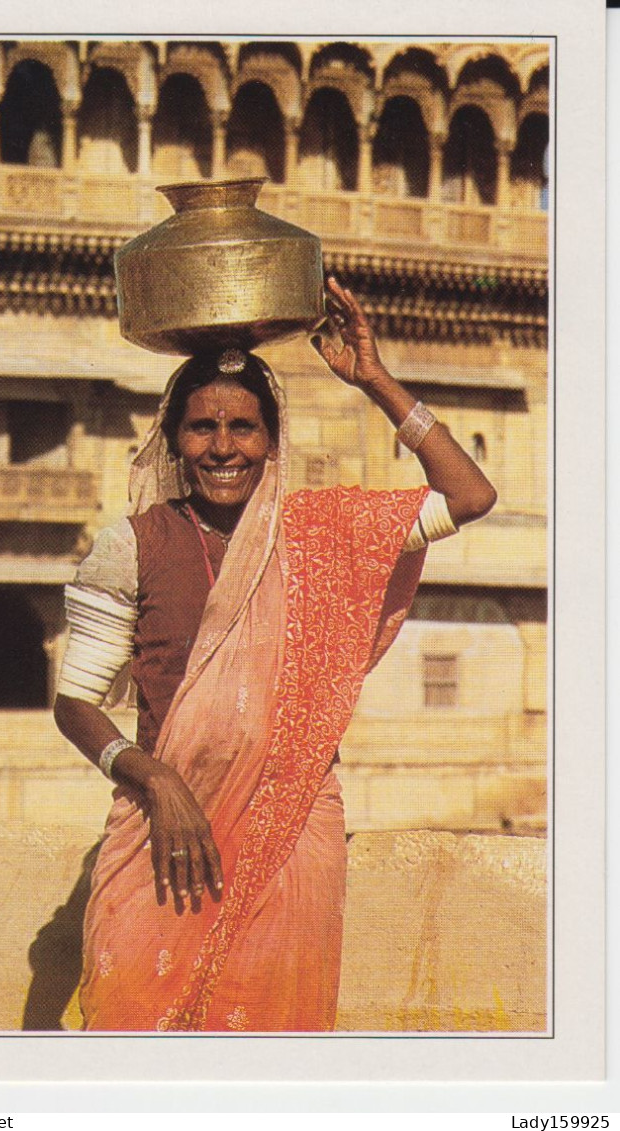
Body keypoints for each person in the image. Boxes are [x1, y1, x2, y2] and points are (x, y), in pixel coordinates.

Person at [53, 278, 496, 1032]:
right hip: (164, 830)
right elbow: (75, 702)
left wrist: (377, 381)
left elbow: (469, 493)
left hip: (292, 835)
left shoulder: (319, 534)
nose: (223, 447)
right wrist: (153, 776)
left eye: (243, 427)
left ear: (271, 440)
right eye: (201, 428)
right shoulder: (133, 543)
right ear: (173, 439)